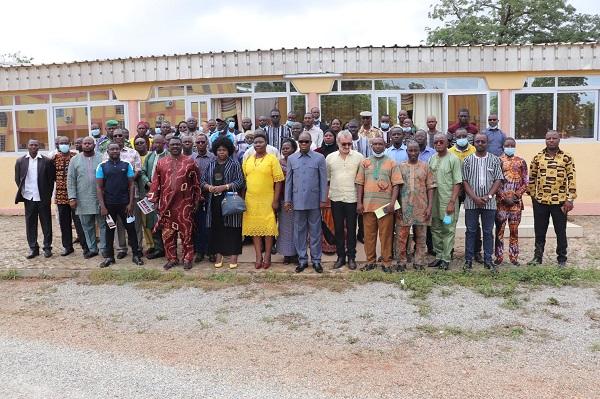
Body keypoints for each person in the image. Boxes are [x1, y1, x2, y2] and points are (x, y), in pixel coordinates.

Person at [147, 137, 201, 270]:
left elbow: (196, 184)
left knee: (186, 234)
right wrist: (154, 200)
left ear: (181, 145)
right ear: (168, 146)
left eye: (178, 144)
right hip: (166, 205)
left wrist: (197, 201)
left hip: (185, 205)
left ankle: (188, 258)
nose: (175, 146)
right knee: (168, 234)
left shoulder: (190, 162)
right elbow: (156, 183)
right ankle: (172, 258)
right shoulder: (161, 162)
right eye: (172, 145)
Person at [527, 130, 576, 268]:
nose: (551, 140)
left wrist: (570, 199)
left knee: (560, 230)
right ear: (545, 140)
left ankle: (562, 259)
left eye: (554, 138)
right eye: (549, 138)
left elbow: (572, 179)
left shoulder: (566, 158)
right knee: (539, 230)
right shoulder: (538, 157)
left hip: (560, 201)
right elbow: (532, 178)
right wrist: (533, 197)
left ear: (559, 139)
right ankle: (537, 257)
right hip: (540, 201)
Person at [355, 136, 403, 271]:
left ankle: (386, 262)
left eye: (380, 144)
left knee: (386, 236)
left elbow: (396, 185)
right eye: (375, 144)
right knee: (369, 236)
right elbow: (359, 183)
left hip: (385, 207)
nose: (377, 146)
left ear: (385, 145)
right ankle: (370, 261)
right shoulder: (365, 162)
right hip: (368, 206)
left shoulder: (392, 163)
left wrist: (392, 203)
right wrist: (359, 203)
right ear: (371, 146)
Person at [284, 132, 328, 273]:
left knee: (315, 232)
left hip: (314, 202)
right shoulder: (292, 159)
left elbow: (323, 180)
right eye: (301, 141)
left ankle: (316, 261)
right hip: (297, 202)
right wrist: (287, 200)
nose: (304, 144)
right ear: (298, 142)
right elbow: (289, 181)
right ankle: (302, 260)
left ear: (310, 142)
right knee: (299, 232)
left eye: (306, 141)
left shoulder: (319, 158)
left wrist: (323, 199)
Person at [95, 143, 144, 267]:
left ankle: (136, 255)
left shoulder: (126, 165)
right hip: (109, 206)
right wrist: (103, 206)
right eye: (112, 149)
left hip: (125, 205)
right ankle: (109, 257)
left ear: (119, 151)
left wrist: (131, 203)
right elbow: (99, 188)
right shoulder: (102, 166)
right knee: (110, 230)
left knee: (131, 229)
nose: (115, 151)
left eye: (117, 149)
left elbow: (132, 185)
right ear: (108, 151)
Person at [242, 131, 284, 269]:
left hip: (267, 199)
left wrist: (276, 200)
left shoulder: (272, 159)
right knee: (254, 229)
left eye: (260, 142)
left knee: (268, 229)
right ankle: (258, 256)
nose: (258, 144)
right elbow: (244, 181)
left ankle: (267, 257)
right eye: (255, 142)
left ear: (266, 143)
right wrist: (242, 199)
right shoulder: (248, 159)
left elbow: (278, 181)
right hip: (251, 199)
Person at [462, 133, 504, 272]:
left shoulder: (494, 160)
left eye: (483, 141)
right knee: (471, 231)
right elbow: (465, 181)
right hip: (471, 202)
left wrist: (489, 196)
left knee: (488, 232)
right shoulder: (467, 160)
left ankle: (488, 260)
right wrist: (474, 197)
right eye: (477, 141)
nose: (480, 144)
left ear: (487, 143)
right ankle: (468, 260)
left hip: (489, 203)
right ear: (474, 143)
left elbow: (498, 179)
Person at [202, 137, 245, 269]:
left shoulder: (234, 164)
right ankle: (219, 256)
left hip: (230, 200)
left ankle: (233, 257)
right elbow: (202, 181)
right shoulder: (211, 164)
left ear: (229, 151)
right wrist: (209, 187)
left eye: (224, 150)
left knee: (232, 229)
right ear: (215, 151)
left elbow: (240, 182)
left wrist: (225, 187)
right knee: (217, 228)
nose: (221, 152)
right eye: (219, 150)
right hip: (214, 201)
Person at [326, 130, 364, 270]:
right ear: (338, 143)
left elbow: (361, 180)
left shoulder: (359, 157)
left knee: (352, 229)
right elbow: (328, 178)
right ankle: (340, 257)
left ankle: (351, 257)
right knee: (339, 229)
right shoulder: (329, 158)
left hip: (352, 199)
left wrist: (360, 201)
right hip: (336, 198)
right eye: (344, 143)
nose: (347, 146)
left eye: (349, 143)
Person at [103, 129, 142, 259]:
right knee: (116, 225)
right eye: (116, 136)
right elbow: (104, 176)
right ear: (112, 137)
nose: (119, 137)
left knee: (133, 223)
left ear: (125, 137)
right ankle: (121, 248)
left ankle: (138, 248)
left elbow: (137, 170)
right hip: (112, 198)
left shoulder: (133, 152)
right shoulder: (105, 154)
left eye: (121, 135)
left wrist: (124, 181)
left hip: (131, 195)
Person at [396, 140, 435, 270]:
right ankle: (401, 262)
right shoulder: (400, 167)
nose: (413, 153)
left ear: (419, 151)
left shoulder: (426, 166)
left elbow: (430, 187)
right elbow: (396, 187)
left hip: (422, 207)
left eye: (415, 150)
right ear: (406, 152)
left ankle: (419, 262)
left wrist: (429, 207)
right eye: (410, 150)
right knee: (402, 237)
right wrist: (397, 206)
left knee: (421, 237)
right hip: (404, 207)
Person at [15, 139, 56, 259]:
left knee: (46, 223)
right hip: (29, 197)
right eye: (31, 145)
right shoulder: (20, 161)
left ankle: (47, 248)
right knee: (30, 224)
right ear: (27, 146)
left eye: (36, 145)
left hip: (43, 198)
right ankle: (33, 248)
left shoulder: (46, 161)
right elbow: (18, 179)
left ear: (39, 147)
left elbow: (51, 180)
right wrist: (24, 192)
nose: (33, 147)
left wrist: (47, 195)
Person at [428, 134, 462, 271]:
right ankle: (439, 256)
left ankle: (446, 258)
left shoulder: (454, 159)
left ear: (447, 142)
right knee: (435, 228)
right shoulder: (431, 159)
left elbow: (457, 182)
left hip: (448, 203)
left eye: (441, 141)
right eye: (436, 142)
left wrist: (452, 202)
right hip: (434, 203)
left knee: (447, 229)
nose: (438, 144)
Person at [68, 137, 105, 259]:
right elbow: (71, 180)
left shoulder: (102, 158)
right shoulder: (75, 160)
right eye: (85, 143)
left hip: (101, 198)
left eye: (90, 143)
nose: (87, 145)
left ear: (94, 145)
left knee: (103, 224)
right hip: (82, 198)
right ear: (81, 145)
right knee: (87, 225)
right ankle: (92, 249)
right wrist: (72, 197)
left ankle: (104, 248)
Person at [495, 137, 528, 266]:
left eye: (512, 145)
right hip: (501, 204)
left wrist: (516, 196)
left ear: (515, 146)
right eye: (507, 145)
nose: (509, 147)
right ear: (503, 146)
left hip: (515, 203)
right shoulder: (498, 161)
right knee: (499, 231)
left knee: (514, 231)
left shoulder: (521, 162)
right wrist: (504, 197)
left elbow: (526, 181)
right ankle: (499, 257)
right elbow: (495, 182)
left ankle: (514, 257)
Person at [53, 136, 88, 256]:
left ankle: (85, 247)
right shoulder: (54, 158)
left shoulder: (76, 157)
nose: (63, 145)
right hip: (61, 196)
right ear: (58, 145)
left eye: (66, 143)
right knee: (64, 223)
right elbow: (51, 176)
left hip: (76, 196)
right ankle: (68, 247)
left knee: (79, 222)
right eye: (61, 143)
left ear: (70, 144)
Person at [141, 135, 168, 259]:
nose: (156, 145)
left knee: (165, 221)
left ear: (164, 143)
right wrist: (148, 183)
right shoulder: (150, 156)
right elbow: (142, 172)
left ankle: (169, 248)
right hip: (152, 193)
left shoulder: (168, 156)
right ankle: (158, 248)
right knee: (153, 221)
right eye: (155, 142)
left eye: (159, 142)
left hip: (165, 193)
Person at [191, 133, 215, 263]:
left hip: (211, 194)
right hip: (195, 196)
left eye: (202, 142)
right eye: (198, 142)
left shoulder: (213, 157)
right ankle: (199, 251)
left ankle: (211, 251)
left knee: (210, 224)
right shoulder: (191, 158)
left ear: (207, 143)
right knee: (198, 224)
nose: (200, 144)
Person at [316, 130, 339, 255]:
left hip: (337, 187)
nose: (328, 137)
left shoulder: (339, 151)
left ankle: (336, 243)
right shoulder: (318, 152)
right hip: (322, 187)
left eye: (330, 135)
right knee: (325, 215)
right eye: (326, 135)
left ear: (335, 138)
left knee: (336, 217)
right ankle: (325, 243)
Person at [278, 138, 298, 264]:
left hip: (297, 199)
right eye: (283, 148)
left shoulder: (298, 161)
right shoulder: (278, 163)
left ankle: (296, 253)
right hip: (283, 199)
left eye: (288, 148)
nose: (285, 150)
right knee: (284, 228)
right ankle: (286, 254)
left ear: (294, 149)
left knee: (296, 227)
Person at [133, 137, 154, 252]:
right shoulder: (133, 156)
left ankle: (154, 244)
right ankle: (148, 244)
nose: (140, 145)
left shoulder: (152, 156)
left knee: (150, 220)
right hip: (138, 194)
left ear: (147, 143)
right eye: (137, 143)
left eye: (142, 142)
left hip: (151, 193)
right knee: (142, 221)